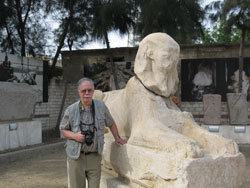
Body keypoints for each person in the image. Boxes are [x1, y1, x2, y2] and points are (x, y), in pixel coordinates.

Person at [60, 77, 126, 188]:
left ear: (93, 91)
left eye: (89, 90)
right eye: (83, 91)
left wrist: (117, 137)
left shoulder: (101, 106)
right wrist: (75, 136)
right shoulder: (71, 110)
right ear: (78, 92)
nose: (87, 93)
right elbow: (62, 130)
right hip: (76, 157)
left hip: (95, 157)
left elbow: (111, 123)